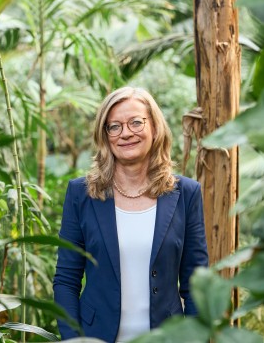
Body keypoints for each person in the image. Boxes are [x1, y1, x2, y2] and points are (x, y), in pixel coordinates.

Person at [52, 86, 209, 342]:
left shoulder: (186, 194)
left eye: (136, 122)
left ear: (155, 128)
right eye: (114, 126)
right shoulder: (81, 194)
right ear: (105, 135)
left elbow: (196, 285)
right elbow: (66, 280)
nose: (125, 133)